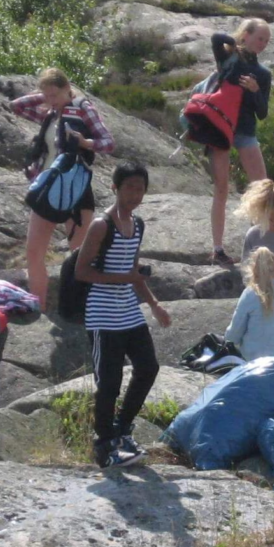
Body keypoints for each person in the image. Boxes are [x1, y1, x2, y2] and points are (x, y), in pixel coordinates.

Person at [75, 162, 172, 469]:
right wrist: (122, 279)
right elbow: (82, 271)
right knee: (110, 382)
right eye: (129, 187)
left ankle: (122, 430)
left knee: (148, 368)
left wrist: (154, 304)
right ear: (115, 188)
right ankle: (104, 444)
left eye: (140, 188)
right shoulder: (102, 225)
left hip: (128, 311)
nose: (135, 194)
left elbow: (133, 270)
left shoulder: (138, 224)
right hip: (102, 315)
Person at [11, 68, 115, 309]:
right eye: (47, 95)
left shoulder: (82, 108)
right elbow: (17, 106)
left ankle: (84, 308)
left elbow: (108, 143)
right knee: (34, 252)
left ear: (68, 89)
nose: (51, 100)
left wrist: (84, 142)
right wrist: (46, 96)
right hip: (47, 189)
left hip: (75, 190)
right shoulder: (50, 114)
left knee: (80, 254)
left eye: (55, 94)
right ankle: (39, 306)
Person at [208, 19, 273, 268]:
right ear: (246, 35)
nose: (263, 44)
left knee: (261, 187)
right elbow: (216, 37)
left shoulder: (263, 73)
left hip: (245, 131)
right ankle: (218, 249)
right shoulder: (229, 58)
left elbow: (263, 113)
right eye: (260, 38)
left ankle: (259, 245)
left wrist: (255, 90)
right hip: (219, 129)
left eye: (267, 41)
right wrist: (238, 45)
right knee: (222, 188)